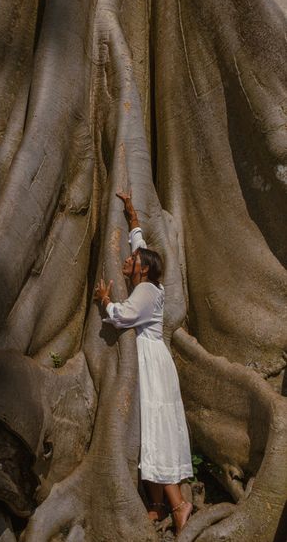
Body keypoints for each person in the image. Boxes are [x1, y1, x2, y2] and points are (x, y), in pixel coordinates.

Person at [95, 192, 193, 534]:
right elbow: (141, 244)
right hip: (151, 361)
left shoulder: (148, 291)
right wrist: (132, 214)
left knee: (157, 428)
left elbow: (124, 316)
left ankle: (179, 504)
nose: (126, 260)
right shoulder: (149, 281)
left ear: (144, 269)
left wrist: (106, 301)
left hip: (152, 362)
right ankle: (156, 504)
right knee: (149, 426)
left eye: (133, 261)